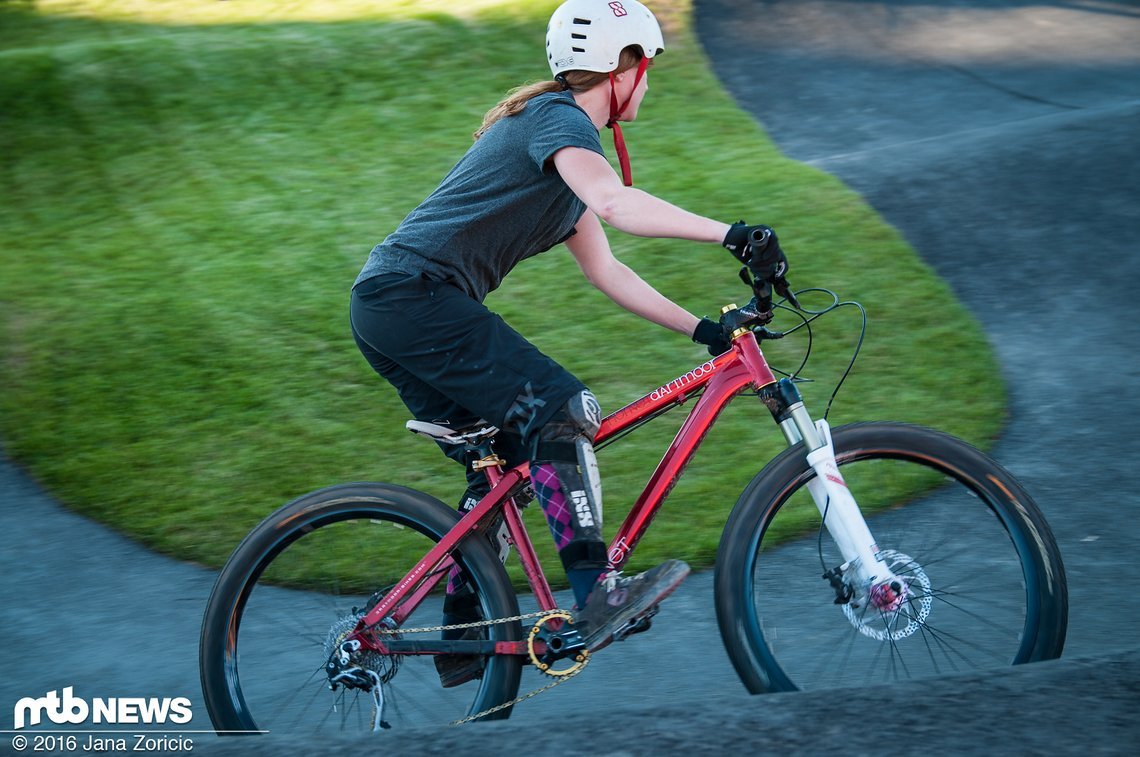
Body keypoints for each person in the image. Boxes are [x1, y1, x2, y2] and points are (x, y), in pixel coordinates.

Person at [348, 0, 788, 686]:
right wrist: (733, 232)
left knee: (509, 467)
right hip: (411, 298)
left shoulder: (566, 160)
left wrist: (706, 330)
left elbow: (609, 270)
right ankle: (595, 594)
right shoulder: (556, 121)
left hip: (399, 307)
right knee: (561, 410)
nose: (649, 83)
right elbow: (617, 204)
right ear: (623, 69)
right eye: (648, 68)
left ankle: (466, 636)